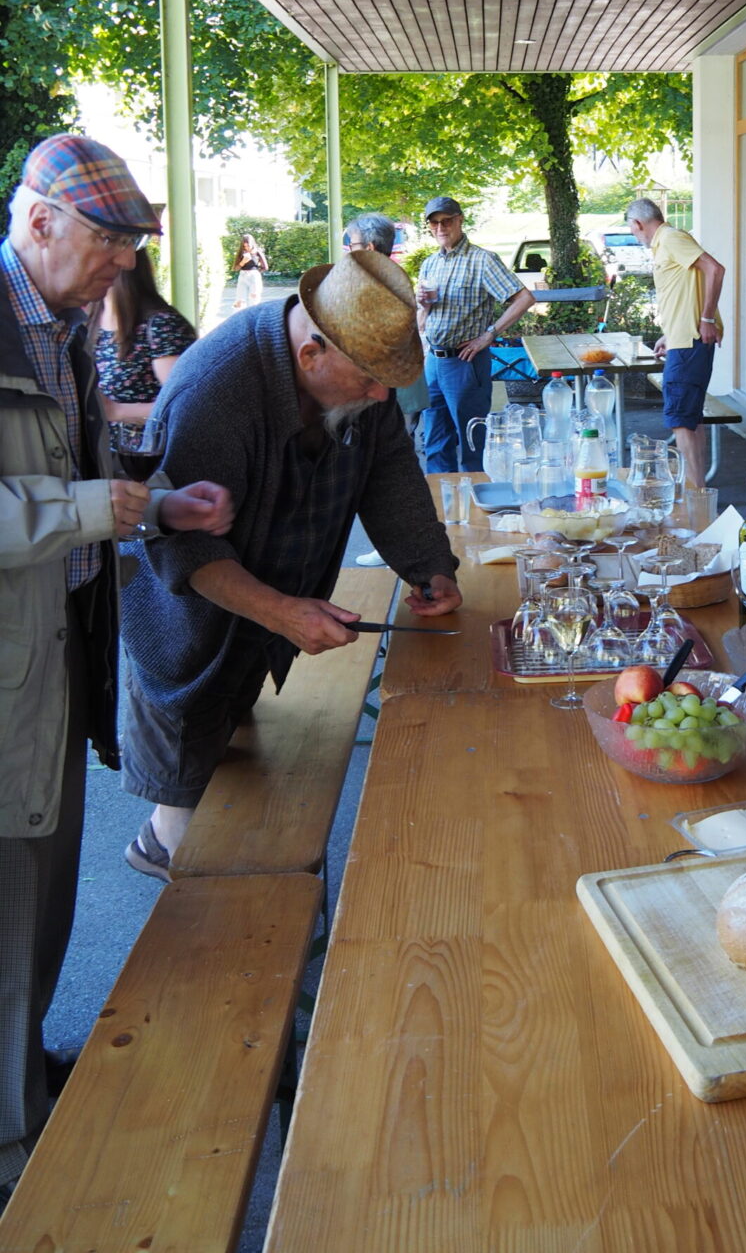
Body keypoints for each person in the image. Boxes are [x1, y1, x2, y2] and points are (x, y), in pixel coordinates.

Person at [0, 134, 232, 1193]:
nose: (122, 268)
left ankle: (22, 1076)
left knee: (44, 895)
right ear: (39, 219)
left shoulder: (62, 325)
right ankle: (13, 1150)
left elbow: (87, 468)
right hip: (11, 676)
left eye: (132, 248)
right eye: (110, 243)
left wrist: (156, 502)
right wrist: (100, 507)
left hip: (57, 661)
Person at [119, 250, 462, 876]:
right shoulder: (213, 391)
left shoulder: (357, 366)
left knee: (239, 772)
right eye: (368, 382)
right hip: (188, 623)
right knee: (191, 813)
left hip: (273, 603)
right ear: (312, 355)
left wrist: (429, 565)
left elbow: (390, 475)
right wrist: (281, 612)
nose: (382, 395)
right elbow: (183, 546)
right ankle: (163, 852)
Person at [415, 197, 533, 473]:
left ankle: (476, 511)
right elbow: (423, 320)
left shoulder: (482, 260)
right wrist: (424, 306)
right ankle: (440, 510)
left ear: (459, 220)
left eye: (447, 221)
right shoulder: (430, 264)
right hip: (434, 360)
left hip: (465, 362)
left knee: (472, 444)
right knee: (434, 442)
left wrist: (489, 335)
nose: (441, 227)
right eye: (435, 222)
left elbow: (525, 298)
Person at [341, 212, 432, 568]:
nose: (348, 251)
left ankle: (397, 547)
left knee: (390, 468)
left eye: (353, 244)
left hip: (392, 389)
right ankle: (401, 546)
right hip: (398, 386)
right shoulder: (390, 278)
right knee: (395, 463)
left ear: (372, 247)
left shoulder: (375, 280)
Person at [625, 199, 725, 489]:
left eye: (633, 231)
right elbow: (685, 290)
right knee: (690, 417)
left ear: (638, 224)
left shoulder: (670, 239)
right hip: (682, 340)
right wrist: (670, 333)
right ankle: (698, 491)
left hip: (689, 344)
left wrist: (706, 319)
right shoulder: (667, 242)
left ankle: (696, 494)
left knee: (681, 419)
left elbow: (715, 270)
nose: (635, 235)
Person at [92, 248, 198, 429]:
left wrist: (116, 411)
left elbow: (188, 404)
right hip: (101, 454)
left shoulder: (163, 325)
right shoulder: (89, 320)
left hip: (145, 454)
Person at [232, 231, 267, 309]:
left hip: (254, 276)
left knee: (254, 299)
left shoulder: (257, 252)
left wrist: (255, 271)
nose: (246, 248)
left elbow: (265, 267)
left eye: (248, 246)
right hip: (243, 276)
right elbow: (235, 268)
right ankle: (241, 318)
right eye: (244, 246)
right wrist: (243, 262)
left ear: (252, 244)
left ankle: (253, 317)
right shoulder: (241, 253)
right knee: (240, 300)